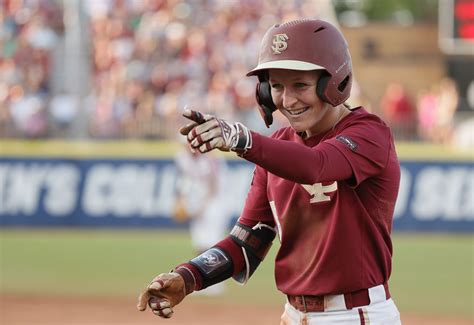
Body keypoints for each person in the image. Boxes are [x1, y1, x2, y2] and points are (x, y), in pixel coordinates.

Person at [137, 19, 401, 325]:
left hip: (357, 316)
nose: (287, 100)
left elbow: (316, 166)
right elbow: (246, 243)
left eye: (300, 85)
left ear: (334, 81)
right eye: (276, 86)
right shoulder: (277, 148)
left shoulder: (370, 133)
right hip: (293, 315)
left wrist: (241, 139)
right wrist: (187, 276)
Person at [173, 145, 231, 295]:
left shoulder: (211, 158)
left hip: (216, 202)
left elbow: (214, 186)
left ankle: (216, 283)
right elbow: (182, 180)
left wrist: (201, 207)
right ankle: (202, 281)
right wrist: (180, 200)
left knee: (212, 244)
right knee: (200, 243)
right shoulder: (183, 158)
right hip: (197, 200)